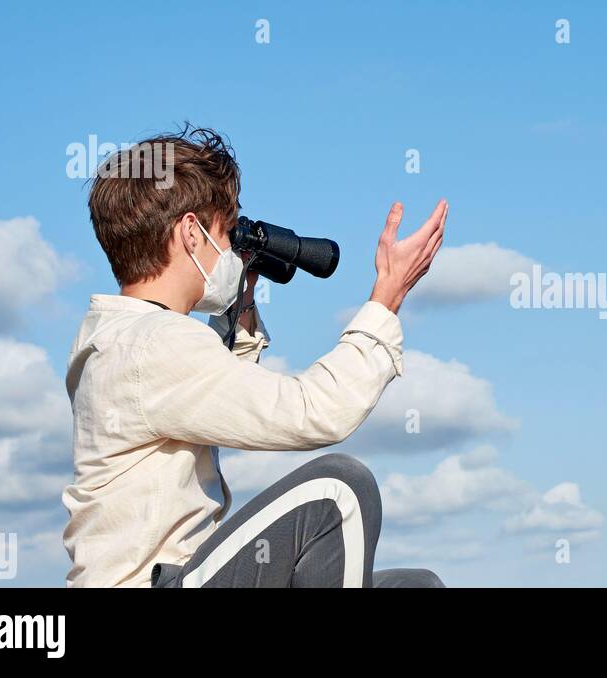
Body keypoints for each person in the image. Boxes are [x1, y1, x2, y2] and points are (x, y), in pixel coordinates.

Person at [62, 127, 447, 588]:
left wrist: (241, 295)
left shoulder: (121, 338)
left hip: (185, 576)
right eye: (225, 234)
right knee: (339, 489)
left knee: (411, 586)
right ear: (190, 231)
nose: (228, 250)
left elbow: (224, 395)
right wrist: (387, 296)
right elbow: (317, 412)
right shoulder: (149, 344)